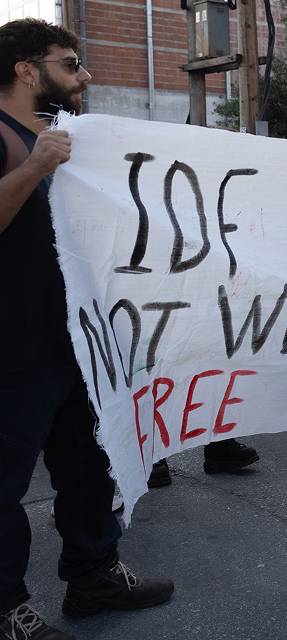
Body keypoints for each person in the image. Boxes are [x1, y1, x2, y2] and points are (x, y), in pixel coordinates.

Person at [0, 18, 173, 639]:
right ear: (27, 70)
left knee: (86, 466)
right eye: (70, 64)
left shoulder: (59, 136)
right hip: (12, 350)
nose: (85, 75)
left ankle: (94, 574)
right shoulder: (10, 139)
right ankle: (8, 607)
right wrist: (34, 167)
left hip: (74, 339)